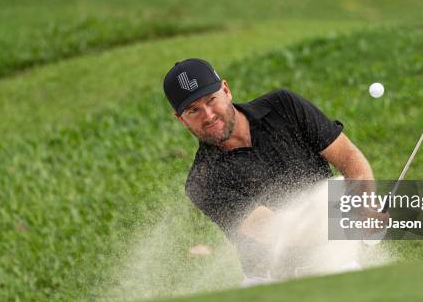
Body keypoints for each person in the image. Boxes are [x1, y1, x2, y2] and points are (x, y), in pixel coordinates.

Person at [163, 58, 381, 280]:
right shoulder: (202, 181)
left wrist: (365, 204)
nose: (208, 115)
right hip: (273, 283)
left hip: (335, 261)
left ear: (226, 90)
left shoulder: (283, 107)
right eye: (193, 110)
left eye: (211, 100)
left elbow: (349, 157)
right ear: (181, 120)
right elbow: (274, 230)